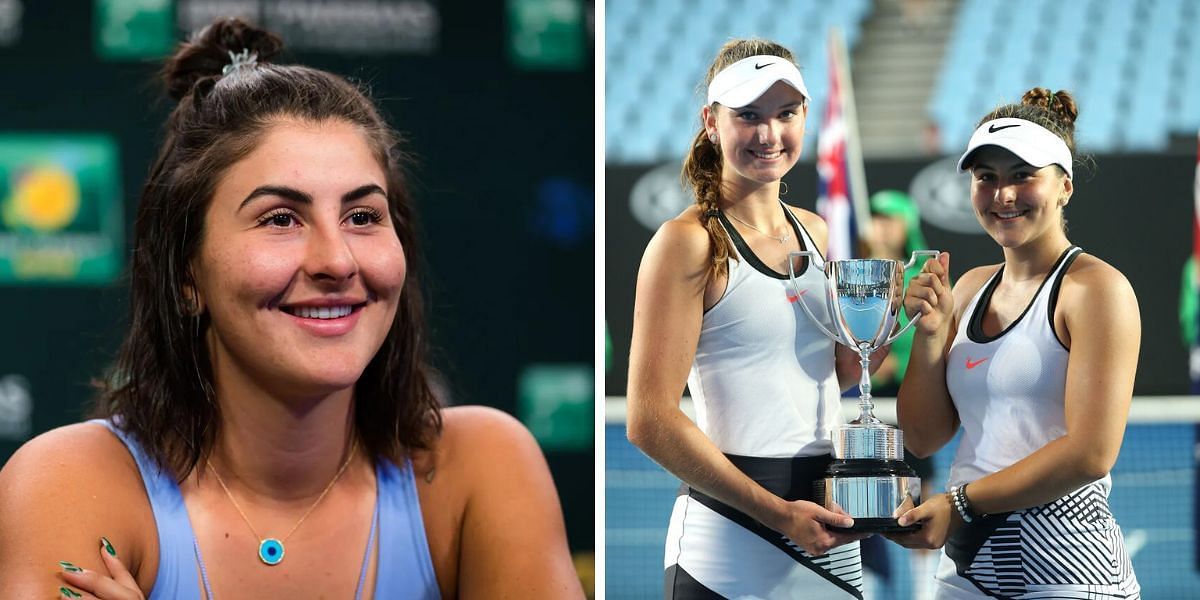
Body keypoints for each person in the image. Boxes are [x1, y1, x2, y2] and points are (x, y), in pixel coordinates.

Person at [0, 18, 581, 599]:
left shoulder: (482, 469)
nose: (337, 260)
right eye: (280, 218)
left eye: (362, 217)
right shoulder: (68, 483)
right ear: (185, 274)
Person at [626, 38, 884, 599]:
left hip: (828, 526)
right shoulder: (686, 243)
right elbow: (648, 420)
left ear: (805, 118)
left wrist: (898, 319)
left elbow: (837, 373)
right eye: (748, 115)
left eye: (785, 114)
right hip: (731, 539)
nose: (769, 134)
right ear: (711, 123)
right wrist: (778, 514)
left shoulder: (819, 235)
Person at [888, 87, 1141, 598]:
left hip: (1068, 572)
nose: (1003, 194)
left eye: (1023, 175)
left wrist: (960, 503)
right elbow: (922, 437)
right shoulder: (968, 288)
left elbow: (1092, 453)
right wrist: (931, 336)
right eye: (987, 178)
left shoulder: (1097, 289)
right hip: (964, 574)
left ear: (1065, 186)